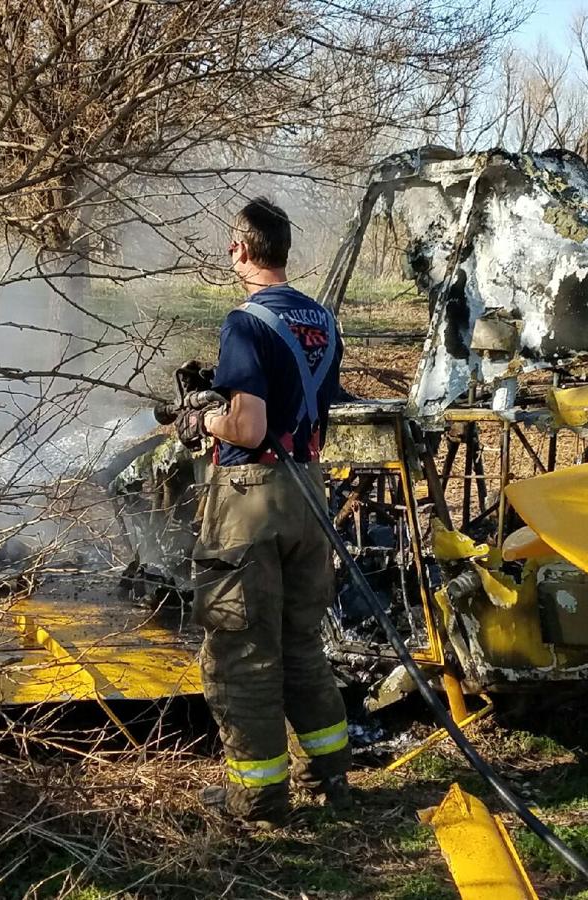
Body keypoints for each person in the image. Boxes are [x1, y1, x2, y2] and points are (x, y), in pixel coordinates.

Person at [175, 197, 351, 826]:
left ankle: (257, 799)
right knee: (302, 642)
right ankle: (329, 775)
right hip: (308, 493)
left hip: (250, 500)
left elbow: (248, 426)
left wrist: (198, 417)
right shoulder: (321, 319)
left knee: (241, 651)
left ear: (243, 249)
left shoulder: (244, 322)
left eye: (230, 242)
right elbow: (317, 404)